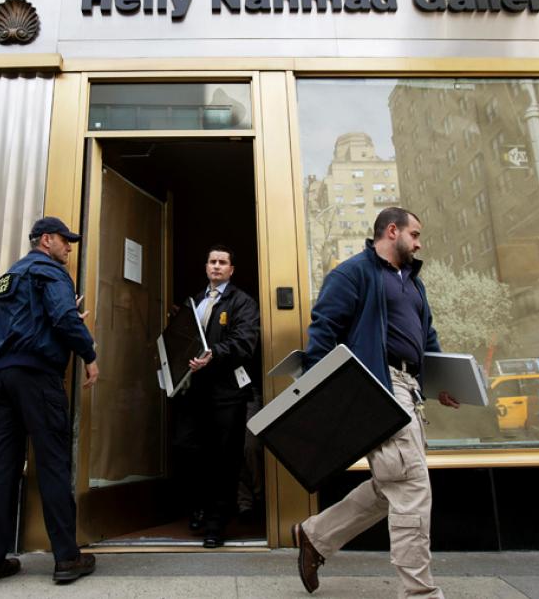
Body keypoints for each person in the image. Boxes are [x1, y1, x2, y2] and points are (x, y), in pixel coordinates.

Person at [292, 207, 459, 599]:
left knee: (392, 485)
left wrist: (439, 383)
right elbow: (323, 332)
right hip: (377, 388)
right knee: (411, 485)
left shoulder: (412, 283)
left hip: (409, 387)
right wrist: (324, 396)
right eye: (414, 234)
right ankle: (420, 593)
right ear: (391, 230)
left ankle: (315, 535)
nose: (418, 243)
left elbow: (426, 336)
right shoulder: (353, 273)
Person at [0, 217, 99, 588]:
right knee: (53, 462)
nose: (69, 248)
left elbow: (28, 321)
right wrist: (88, 353)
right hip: (36, 379)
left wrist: (63, 316)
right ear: (46, 240)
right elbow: (60, 317)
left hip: (1, 378)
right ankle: (67, 558)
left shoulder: (11, 275)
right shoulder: (50, 271)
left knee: (3, 466)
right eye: (65, 241)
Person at [174, 244, 260, 548]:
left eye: (223, 262)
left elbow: (245, 342)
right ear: (206, 266)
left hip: (227, 394)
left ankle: (215, 525)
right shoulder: (194, 302)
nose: (216, 266)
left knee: (224, 459)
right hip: (194, 392)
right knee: (186, 447)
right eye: (212, 261)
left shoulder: (243, 303)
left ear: (231, 270)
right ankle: (198, 504)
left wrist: (214, 354)